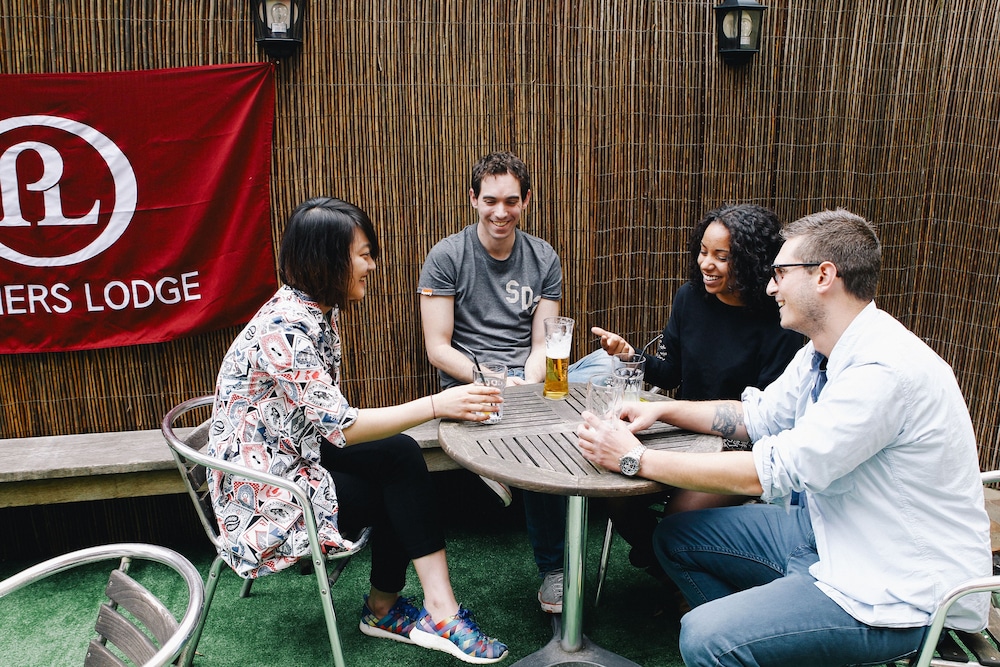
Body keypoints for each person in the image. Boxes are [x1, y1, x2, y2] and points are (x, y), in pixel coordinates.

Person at [576, 208, 991, 666]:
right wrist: (661, 409)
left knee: (705, 637)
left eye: (780, 273)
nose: (770, 287)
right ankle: (761, 640)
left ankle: (740, 639)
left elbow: (772, 470)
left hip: (897, 589)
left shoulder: (883, 371)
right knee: (676, 535)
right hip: (828, 534)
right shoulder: (822, 349)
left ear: (823, 276)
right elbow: (758, 416)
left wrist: (635, 458)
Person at [206, 197, 508, 664]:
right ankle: (413, 611)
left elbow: (326, 419)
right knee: (396, 491)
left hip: (294, 446)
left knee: (400, 454)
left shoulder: (316, 310)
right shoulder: (286, 327)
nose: (372, 266)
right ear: (327, 259)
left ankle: (410, 608)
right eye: (364, 255)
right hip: (262, 487)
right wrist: (437, 404)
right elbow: (341, 426)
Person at [418, 151, 604, 614]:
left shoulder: (543, 257)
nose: (500, 212)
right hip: (470, 383)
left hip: (528, 379)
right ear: (473, 199)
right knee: (539, 437)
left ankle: (500, 460)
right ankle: (555, 568)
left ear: (526, 201)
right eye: (490, 201)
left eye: (511, 201)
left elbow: (545, 342)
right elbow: (438, 349)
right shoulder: (447, 256)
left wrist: (526, 382)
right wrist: (497, 381)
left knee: (606, 367)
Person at [590, 204, 803, 578]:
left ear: (751, 260)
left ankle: (671, 569)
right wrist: (629, 355)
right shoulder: (689, 298)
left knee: (680, 517)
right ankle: (664, 565)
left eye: (722, 256)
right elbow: (669, 373)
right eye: (703, 252)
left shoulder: (779, 319)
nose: (707, 263)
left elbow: (767, 414)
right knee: (614, 493)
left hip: (740, 446)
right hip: (681, 429)